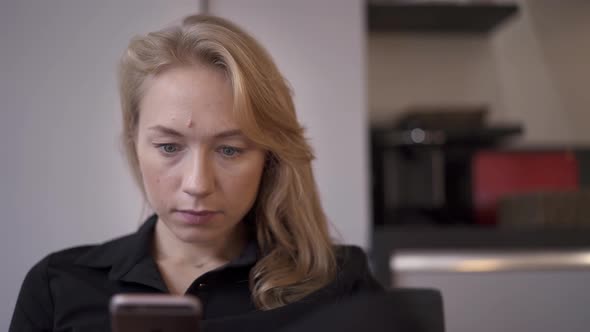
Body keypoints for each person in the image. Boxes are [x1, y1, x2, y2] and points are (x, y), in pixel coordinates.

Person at [9, 14, 382, 332]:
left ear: (270, 156)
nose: (197, 185)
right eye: (169, 147)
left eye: (230, 150)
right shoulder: (56, 284)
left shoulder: (338, 283)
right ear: (133, 141)